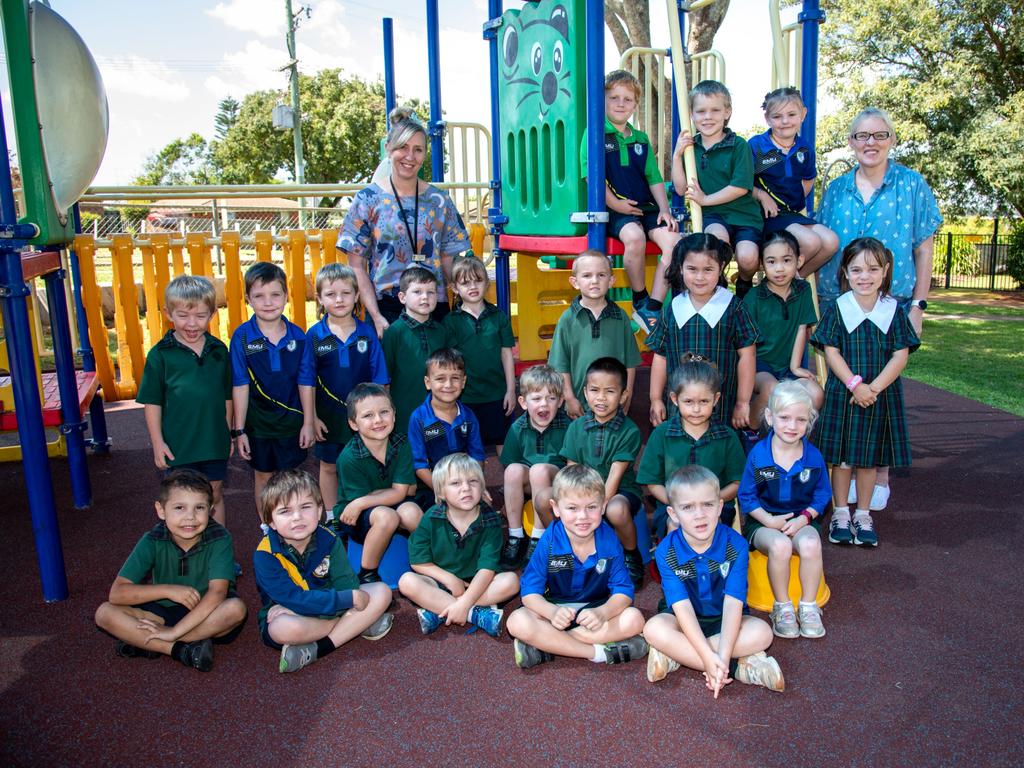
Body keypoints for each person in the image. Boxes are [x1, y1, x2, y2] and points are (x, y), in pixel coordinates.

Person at [817, 107, 942, 512]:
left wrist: (919, 305)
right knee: (844, 387)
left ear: (892, 140)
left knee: (882, 387)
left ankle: (879, 474)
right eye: (861, 136)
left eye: (880, 135)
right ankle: (844, 470)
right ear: (851, 142)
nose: (870, 143)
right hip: (840, 303)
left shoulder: (911, 184)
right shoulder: (835, 188)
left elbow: (924, 247)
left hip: (892, 303)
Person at [810, 237, 919, 547]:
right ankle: (841, 512)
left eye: (872, 269)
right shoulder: (838, 309)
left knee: (870, 460)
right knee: (842, 460)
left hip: (880, 395)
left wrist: (874, 388)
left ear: (884, 271)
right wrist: (856, 386)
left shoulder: (894, 311)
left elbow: (901, 355)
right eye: (856, 269)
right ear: (845, 271)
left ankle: (864, 513)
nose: (864, 276)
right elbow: (831, 352)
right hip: (846, 394)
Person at [643, 465, 784, 693]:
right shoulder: (666, 551)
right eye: (687, 507)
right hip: (682, 619)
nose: (699, 515)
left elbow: (733, 604)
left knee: (763, 632)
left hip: (726, 619)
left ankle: (676, 655)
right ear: (673, 514)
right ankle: (741, 667)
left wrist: (719, 655)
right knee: (653, 628)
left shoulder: (735, 545)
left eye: (707, 504)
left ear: (720, 507)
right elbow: (682, 607)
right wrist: (710, 659)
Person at [94, 470, 247, 672]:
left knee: (236, 609)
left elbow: (217, 593)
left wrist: (174, 632)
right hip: (162, 612)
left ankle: (147, 641)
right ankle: (181, 650)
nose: (190, 517)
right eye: (179, 508)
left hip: (206, 612)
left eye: (199, 508)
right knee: (104, 613)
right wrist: (168, 590)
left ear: (210, 510)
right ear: (161, 510)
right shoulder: (152, 540)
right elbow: (117, 593)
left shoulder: (220, 538)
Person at [339, 106, 471, 336]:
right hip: (387, 309)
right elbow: (356, 266)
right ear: (389, 149)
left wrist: (466, 299)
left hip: (433, 307)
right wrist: (376, 317)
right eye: (403, 147)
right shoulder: (367, 199)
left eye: (418, 150)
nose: (410, 156)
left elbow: (448, 261)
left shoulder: (439, 201)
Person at [506, 464, 648, 669]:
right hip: (555, 608)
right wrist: (551, 612)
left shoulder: (609, 539)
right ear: (555, 508)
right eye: (572, 508)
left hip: (593, 610)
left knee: (634, 619)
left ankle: (548, 645)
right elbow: (529, 592)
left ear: (602, 506)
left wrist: (603, 612)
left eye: (591, 507)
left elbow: (624, 591)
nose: (582, 517)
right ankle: (599, 652)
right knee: (516, 622)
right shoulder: (550, 540)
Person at [253, 469, 393, 673]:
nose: (297, 517)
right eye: (285, 511)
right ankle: (355, 625)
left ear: (319, 511)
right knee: (281, 628)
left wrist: (345, 598)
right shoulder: (265, 554)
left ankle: (318, 649)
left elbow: (349, 585)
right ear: (271, 522)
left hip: (320, 606)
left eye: (305, 507)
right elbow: (293, 598)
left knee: (382, 592)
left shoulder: (329, 539)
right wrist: (345, 602)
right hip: (297, 616)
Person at [581, 70, 680, 333]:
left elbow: (654, 177)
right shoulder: (594, 135)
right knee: (634, 238)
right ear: (603, 101)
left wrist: (664, 210)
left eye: (627, 99)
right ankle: (640, 298)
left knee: (674, 242)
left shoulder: (641, 139)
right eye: (614, 97)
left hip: (646, 206)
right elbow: (592, 176)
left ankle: (654, 307)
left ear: (635, 105)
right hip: (616, 209)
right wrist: (615, 204)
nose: (621, 103)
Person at [737, 381, 830, 639]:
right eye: (785, 418)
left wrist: (805, 518)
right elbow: (746, 496)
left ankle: (809, 606)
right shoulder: (758, 455)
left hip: (802, 520)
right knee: (780, 546)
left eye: (801, 420)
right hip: (764, 523)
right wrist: (769, 521)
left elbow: (823, 494)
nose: (792, 426)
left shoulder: (813, 456)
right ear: (769, 417)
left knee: (811, 544)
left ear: (810, 421)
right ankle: (783, 606)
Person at [138, 275, 232, 527]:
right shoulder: (160, 355)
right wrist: (158, 442)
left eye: (201, 316)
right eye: (183, 316)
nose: (192, 324)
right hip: (179, 445)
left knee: (213, 496)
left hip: (213, 442)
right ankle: (186, 555)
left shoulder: (219, 350)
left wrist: (229, 433)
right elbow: (152, 403)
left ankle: (218, 554)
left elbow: (226, 396)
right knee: (183, 502)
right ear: (168, 313)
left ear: (212, 314)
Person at [230, 262, 315, 521]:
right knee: (264, 476)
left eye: (275, 294)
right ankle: (268, 527)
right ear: (248, 299)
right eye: (259, 296)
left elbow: (306, 381)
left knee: (291, 478)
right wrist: (240, 430)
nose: (268, 302)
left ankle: (293, 524)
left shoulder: (299, 337)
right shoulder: (241, 338)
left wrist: (308, 422)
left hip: (291, 423)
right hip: (258, 426)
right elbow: (240, 383)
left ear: (286, 296)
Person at [399, 453, 520, 637]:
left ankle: (441, 610)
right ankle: (476, 614)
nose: (466, 488)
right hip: (440, 582)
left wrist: (464, 602)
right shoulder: (431, 517)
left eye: (473, 481)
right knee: (407, 582)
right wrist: (450, 580)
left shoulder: (491, 520)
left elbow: (486, 570)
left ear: (482, 487)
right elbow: (418, 562)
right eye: (455, 483)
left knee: (511, 582)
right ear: (441, 492)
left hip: (478, 583)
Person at [646, 233, 760, 429]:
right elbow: (660, 357)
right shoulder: (672, 309)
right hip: (679, 408)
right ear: (680, 268)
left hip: (722, 407)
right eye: (692, 269)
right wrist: (655, 398)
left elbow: (747, 357)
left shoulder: (734, 308)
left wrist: (742, 402)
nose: (700, 277)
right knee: (679, 454)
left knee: (719, 454)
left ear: (721, 267)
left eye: (708, 269)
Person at [307, 263, 389, 518]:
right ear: (319, 298)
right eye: (331, 294)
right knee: (329, 465)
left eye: (346, 293)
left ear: (356, 296)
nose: (339, 299)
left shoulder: (367, 332)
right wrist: (312, 418)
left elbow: (380, 377)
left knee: (365, 462)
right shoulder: (314, 336)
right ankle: (332, 516)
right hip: (329, 415)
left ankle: (367, 512)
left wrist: (380, 414)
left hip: (365, 416)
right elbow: (307, 381)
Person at [671, 80, 763, 298]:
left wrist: (705, 199)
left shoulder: (738, 145)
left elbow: (740, 187)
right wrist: (676, 155)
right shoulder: (691, 147)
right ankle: (718, 293)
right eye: (701, 111)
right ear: (692, 115)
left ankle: (743, 283)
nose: (707, 117)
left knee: (748, 258)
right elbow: (680, 187)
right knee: (715, 245)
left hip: (744, 216)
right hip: (714, 216)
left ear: (727, 112)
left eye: (715, 110)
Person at [560, 357, 645, 587]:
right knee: (549, 500)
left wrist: (594, 508)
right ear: (585, 392)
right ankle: (567, 551)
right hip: (583, 491)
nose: (601, 398)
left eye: (610, 391)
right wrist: (576, 504)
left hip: (618, 491)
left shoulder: (629, 431)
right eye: (595, 390)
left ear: (623, 396)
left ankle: (631, 554)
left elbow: (615, 477)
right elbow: (572, 471)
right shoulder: (576, 427)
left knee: (616, 510)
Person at [637, 357, 746, 536]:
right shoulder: (662, 434)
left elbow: (738, 482)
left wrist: (709, 504)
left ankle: (712, 564)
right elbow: (652, 482)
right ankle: (675, 564)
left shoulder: (727, 437)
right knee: (675, 525)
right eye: (688, 402)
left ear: (716, 399)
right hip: (672, 508)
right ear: (674, 398)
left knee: (713, 525)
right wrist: (679, 505)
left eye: (704, 401)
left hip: (715, 509)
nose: (696, 409)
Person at [335, 383, 423, 583]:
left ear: (394, 414)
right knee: (386, 516)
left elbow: (401, 494)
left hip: (373, 504)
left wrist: (368, 499)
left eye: (384, 412)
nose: (378, 420)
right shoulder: (349, 458)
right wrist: (359, 503)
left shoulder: (401, 444)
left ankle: (426, 561)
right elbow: (360, 503)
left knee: (412, 512)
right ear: (353, 423)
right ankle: (367, 573)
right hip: (355, 516)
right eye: (368, 415)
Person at [749, 87, 838, 276]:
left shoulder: (804, 149)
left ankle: (794, 281)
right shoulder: (757, 146)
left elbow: (808, 178)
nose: (785, 121)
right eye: (777, 116)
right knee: (811, 242)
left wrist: (794, 199)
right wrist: (762, 195)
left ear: (803, 114)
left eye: (791, 114)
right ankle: (779, 282)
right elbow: (742, 183)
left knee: (830, 242)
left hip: (789, 214)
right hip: (765, 216)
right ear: (767, 118)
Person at [743, 230, 824, 430]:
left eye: (786, 260)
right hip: (759, 367)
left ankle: (794, 438)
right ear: (762, 264)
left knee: (815, 393)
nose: (779, 268)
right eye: (771, 262)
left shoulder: (803, 291)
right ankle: (750, 430)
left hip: (788, 366)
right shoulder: (754, 297)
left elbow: (801, 329)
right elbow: (746, 346)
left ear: (799, 261)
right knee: (771, 388)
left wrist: (796, 367)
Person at [548, 250, 641, 418]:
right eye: (587, 276)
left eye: (601, 275)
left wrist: (628, 393)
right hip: (580, 406)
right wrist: (569, 398)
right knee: (579, 442)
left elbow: (631, 361)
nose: (594, 281)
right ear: (574, 282)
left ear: (611, 280)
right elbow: (560, 365)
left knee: (612, 442)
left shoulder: (621, 317)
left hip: (613, 403)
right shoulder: (568, 319)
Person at [499, 364, 571, 569]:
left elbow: (572, 466)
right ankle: (516, 536)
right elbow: (508, 463)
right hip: (529, 484)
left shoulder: (568, 427)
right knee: (513, 470)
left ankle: (538, 538)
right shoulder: (517, 428)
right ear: (523, 402)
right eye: (537, 398)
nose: (544, 404)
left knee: (539, 470)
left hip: (557, 482)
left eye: (551, 398)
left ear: (561, 401)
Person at [442, 255, 516, 450]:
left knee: (502, 443)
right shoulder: (451, 321)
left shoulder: (498, 317)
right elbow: (451, 363)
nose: (473, 286)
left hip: (496, 393)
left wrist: (510, 390)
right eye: (465, 283)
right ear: (455, 288)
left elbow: (507, 354)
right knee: (471, 448)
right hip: (466, 397)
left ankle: (507, 481)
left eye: (478, 280)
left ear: (487, 283)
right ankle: (475, 481)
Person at [407, 348, 486, 508]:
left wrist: (474, 486)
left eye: (455, 378)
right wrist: (444, 493)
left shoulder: (468, 417)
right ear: (428, 383)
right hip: (432, 488)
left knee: (485, 509)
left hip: (464, 486)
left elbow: (477, 457)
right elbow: (420, 465)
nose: (448, 385)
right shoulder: (419, 418)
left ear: (463, 382)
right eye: (441, 379)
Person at [381, 265, 449, 437]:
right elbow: (384, 378)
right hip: (404, 412)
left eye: (431, 292)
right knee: (409, 457)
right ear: (402, 297)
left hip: (437, 410)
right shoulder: (394, 333)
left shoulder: (441, 331)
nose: (425, 297)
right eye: (417, 292)